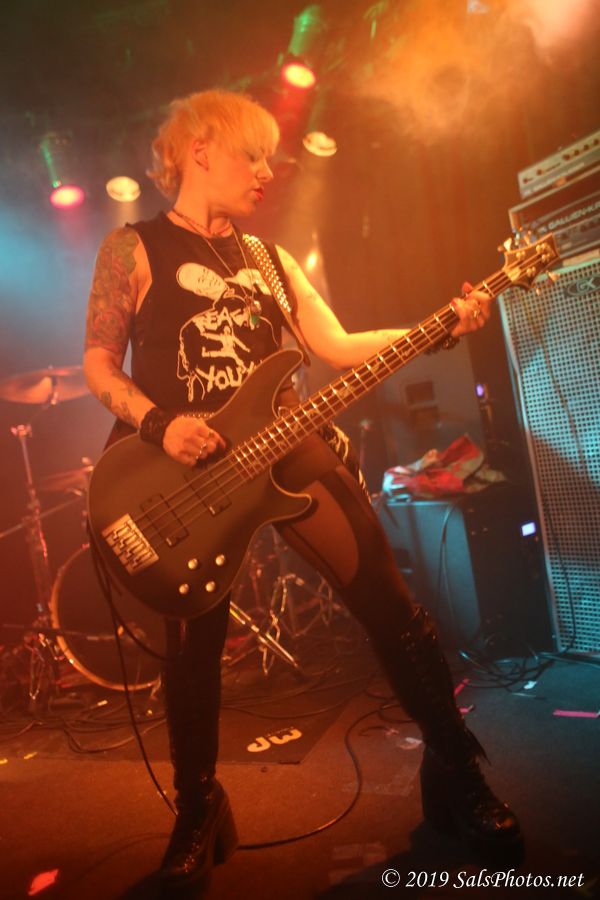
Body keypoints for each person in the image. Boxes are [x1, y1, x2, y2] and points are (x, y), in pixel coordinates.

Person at [83, 90, 522, 891]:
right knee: (193, 649)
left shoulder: (268, 260)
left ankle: (455, 771)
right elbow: (98, 364)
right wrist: (159, 424)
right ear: (200, 150)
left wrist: (441, 327)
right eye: (251, 154)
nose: (266, 170)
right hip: (177, 469)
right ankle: (199, 809)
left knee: (390, 602)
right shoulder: (132, 248)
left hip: (283, 446)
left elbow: (339, 344)